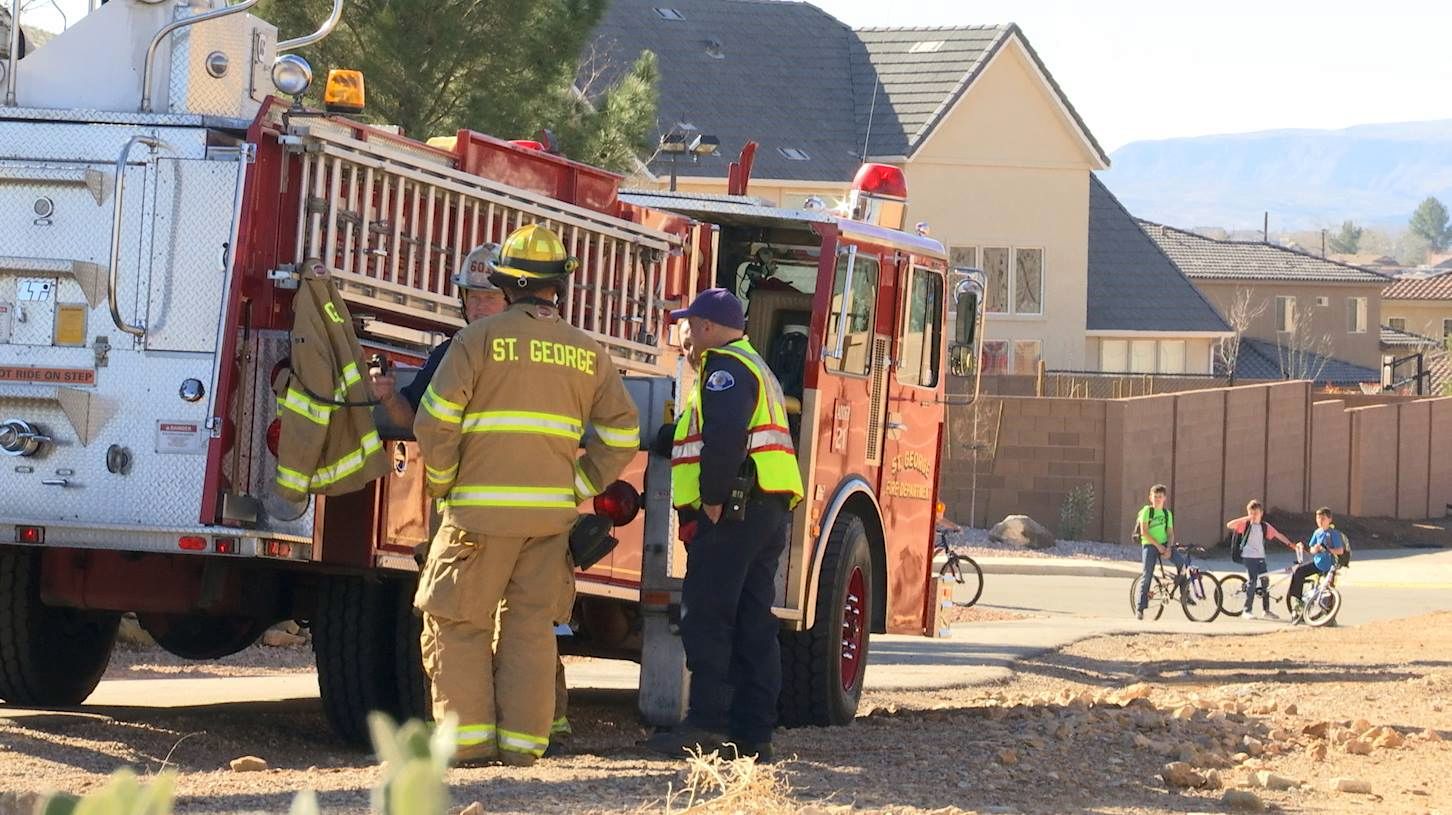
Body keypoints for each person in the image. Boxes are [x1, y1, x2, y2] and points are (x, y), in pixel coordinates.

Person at [412, 224, 640, 766]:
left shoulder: (477, 340)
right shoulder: (588, 352)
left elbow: (434, 423)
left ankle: (468, 748)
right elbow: (622, 435)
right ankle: (522, 748)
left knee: (457, 622)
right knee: (531, 629)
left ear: (505, 283)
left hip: (478, 518)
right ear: (560, 285)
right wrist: (576, 487)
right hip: (549, 522)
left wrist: (444, 484)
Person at [368, 243, 574, 748]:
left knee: (476, 620)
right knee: (516, 619)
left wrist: (444, 481)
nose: (479, 306)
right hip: (528, 514)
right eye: (471, 297)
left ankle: (499, 734)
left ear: (509, 294)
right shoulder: (462, 349)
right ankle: (527, 730)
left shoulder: (482, 349)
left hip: (476, 511)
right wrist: (387, 395)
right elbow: (414, 421)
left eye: (487, 297)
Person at [644, 288, 805, 763]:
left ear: (708, 327)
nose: (686, 336)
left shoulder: (723, 370)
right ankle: (753, 733)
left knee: (706, 614)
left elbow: (726, 436)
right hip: (765, 508)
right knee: (755, 620)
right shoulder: (752, 366)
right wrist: (668, 438)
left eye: (690, 326)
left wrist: (712, 499)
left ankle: (706, 725)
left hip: (734, 508)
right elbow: (713, 430)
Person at [1224, 500, 1298, 619]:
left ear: (1261, 513)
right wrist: (1247, 518)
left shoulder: (1264, 526)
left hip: (1260, 557)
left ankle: (1266, 611)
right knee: (1253, 582)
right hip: (1248, 557)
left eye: (1256, 513)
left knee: (1265, 582)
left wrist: (1291, 544)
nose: (1253, 516)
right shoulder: (1246, 524)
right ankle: (1247, 610)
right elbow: (1230, 525)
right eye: (1251, 513)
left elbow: (1278, 535)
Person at [1288, 507, 1348, 624]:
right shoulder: (1317, 532)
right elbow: (1311, 549)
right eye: (1318, 518)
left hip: (1329, 566)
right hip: (1317, 564)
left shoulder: (1333, 534)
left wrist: (1328, 549)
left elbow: (1340, 550)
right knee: (1298, 572)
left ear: (1329, 519)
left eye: (1323, 518)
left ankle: (1330, 617)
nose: (1320, 521)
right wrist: (1314, 549)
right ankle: (1298, 602)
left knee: (1328, 590)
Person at [1134, 484, 1184, 620]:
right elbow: (1144, 532)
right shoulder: (1147, 511)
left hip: (1163, 544)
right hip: (1149, 544)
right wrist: (1158, 546)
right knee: (1147, 574)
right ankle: (1140, 608)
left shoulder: (1167, 514)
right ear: (1150, 498)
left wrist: (1168, 547)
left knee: (1182, 564)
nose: (1157, 499)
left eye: (1160, 497)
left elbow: (1170, 533)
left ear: (1164, 499)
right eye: (1155, 497)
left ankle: (1185, 595)